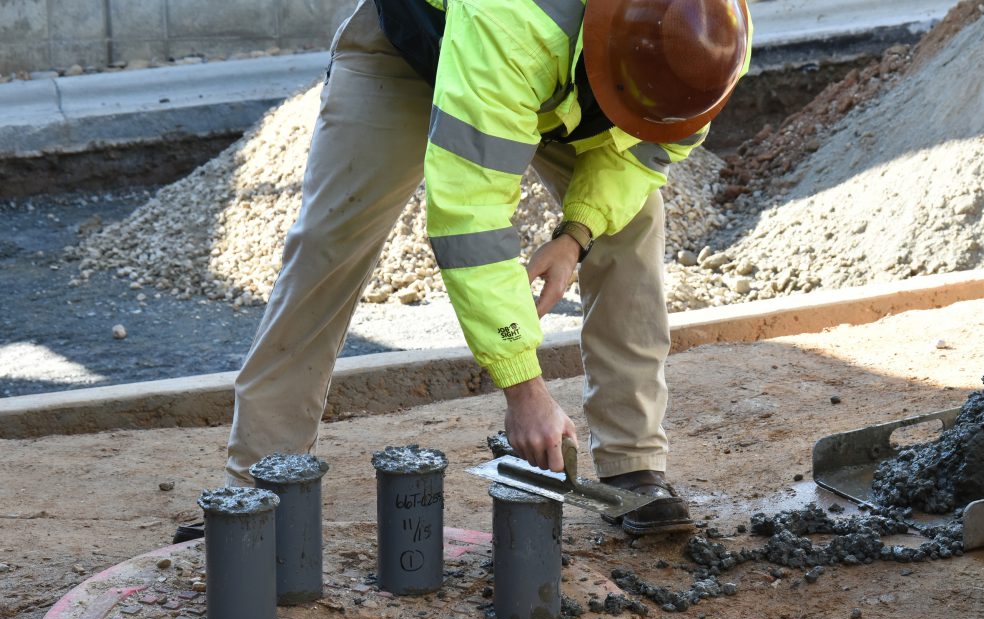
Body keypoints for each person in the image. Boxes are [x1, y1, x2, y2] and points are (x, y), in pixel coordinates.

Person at [225, 0, 751, 535]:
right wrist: (525, 390)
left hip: (569, 81)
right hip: (416, 45)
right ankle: (256, 484)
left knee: (631, 227)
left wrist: (576, 235)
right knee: (329, 243)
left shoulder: (710, 38)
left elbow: (643, 155)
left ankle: (634, 465)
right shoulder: (517, 25)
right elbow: (471, 217)